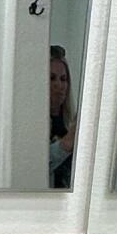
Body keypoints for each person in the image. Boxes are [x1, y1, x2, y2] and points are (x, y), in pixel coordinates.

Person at [49, 45, 76, 189]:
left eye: (63, 79)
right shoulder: (31, 125)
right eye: (52, 78)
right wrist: (66, 143)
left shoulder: (70, 123)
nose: (59, 85)